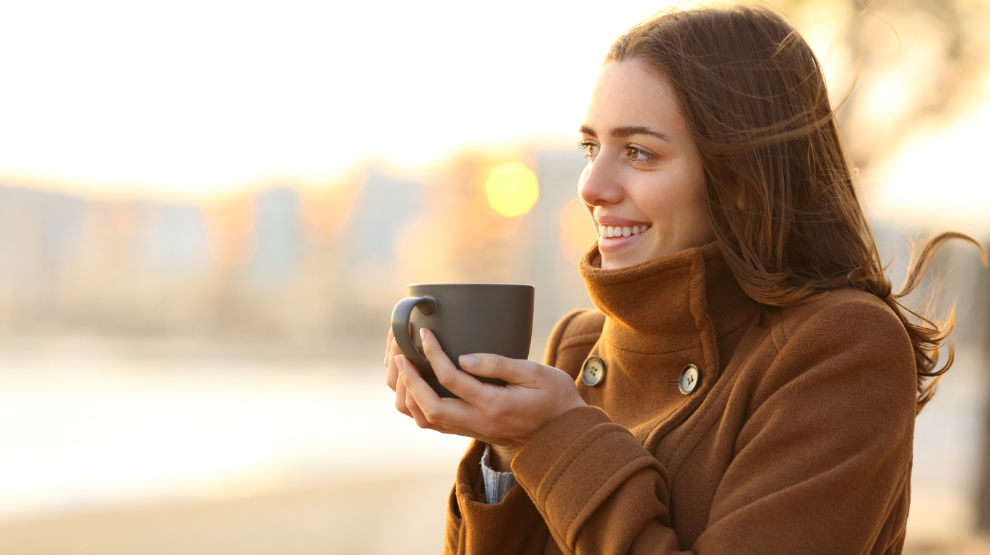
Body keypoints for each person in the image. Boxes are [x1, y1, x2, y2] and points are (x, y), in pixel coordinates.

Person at [384, 5, 985, 554]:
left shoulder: (841, 347)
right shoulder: (578, 345)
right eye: (591, 147)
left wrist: (555, 436)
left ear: (741, 178)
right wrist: (505, 447)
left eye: (640, 152)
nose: (591, 187)